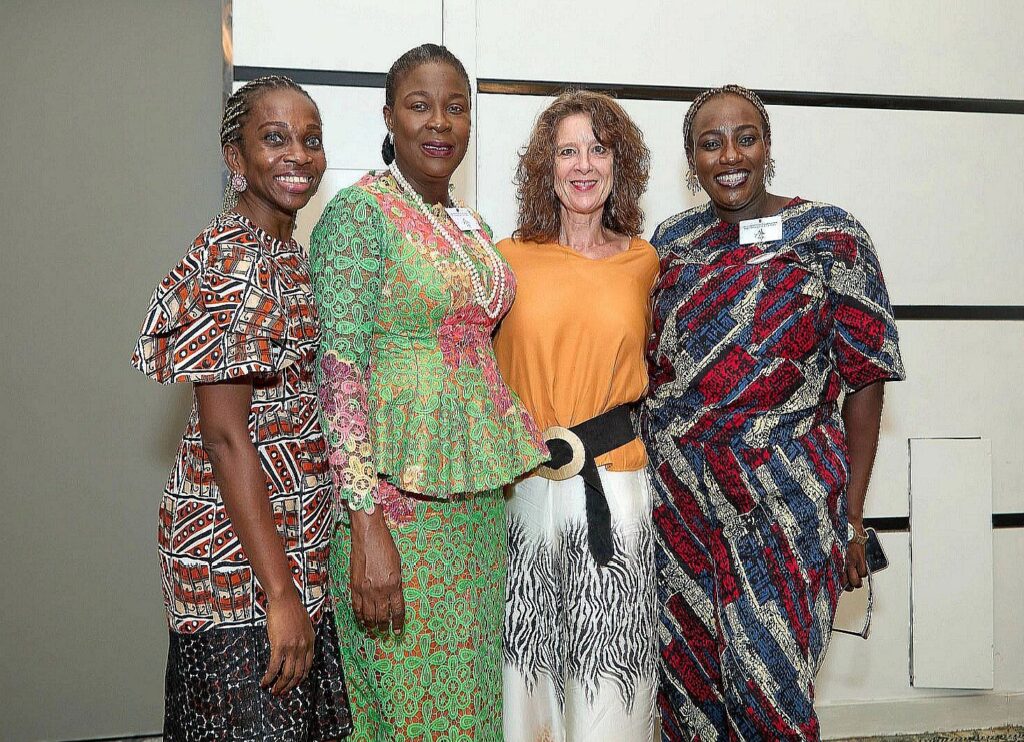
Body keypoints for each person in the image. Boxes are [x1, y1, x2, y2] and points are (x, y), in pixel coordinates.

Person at [641, 84, 905, 741]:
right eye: (711, 143)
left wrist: (851, 518)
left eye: (745, 138)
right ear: (692, 160)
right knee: (689, 693)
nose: (730, 155)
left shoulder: (830, 236)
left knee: (771, 695)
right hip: (680, 505)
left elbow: (866, 380)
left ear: (767, 146)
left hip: (784, 505)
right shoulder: (672, 241)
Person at [308, 44, 548, 741]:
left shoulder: (470, 225)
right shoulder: (360, 215)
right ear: (389, 116)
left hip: (474, 511)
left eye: (455, 107)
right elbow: (339, 375)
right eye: (419, 106)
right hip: (395, 511)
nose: (439, 122)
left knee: (470, 707)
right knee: (407, 712)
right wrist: (365, 525)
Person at [130, 76, 351, 740]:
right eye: (274, 138)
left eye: (311, 139)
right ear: (236, 157)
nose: (298, 155)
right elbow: (226, 439)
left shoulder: (281, 249)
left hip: (287, 550)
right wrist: (280, 595)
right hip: (239, 569)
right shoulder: (235, 263)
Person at [493, 90, 659, 741]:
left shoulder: (644, 262)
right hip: (525, 494)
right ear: (547, 167)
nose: (583, 165)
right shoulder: (507, 260)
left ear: (620, 164)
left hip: (614, 492)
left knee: (611, 680)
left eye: (598, 149)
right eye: (567, 151)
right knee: (527, 680)